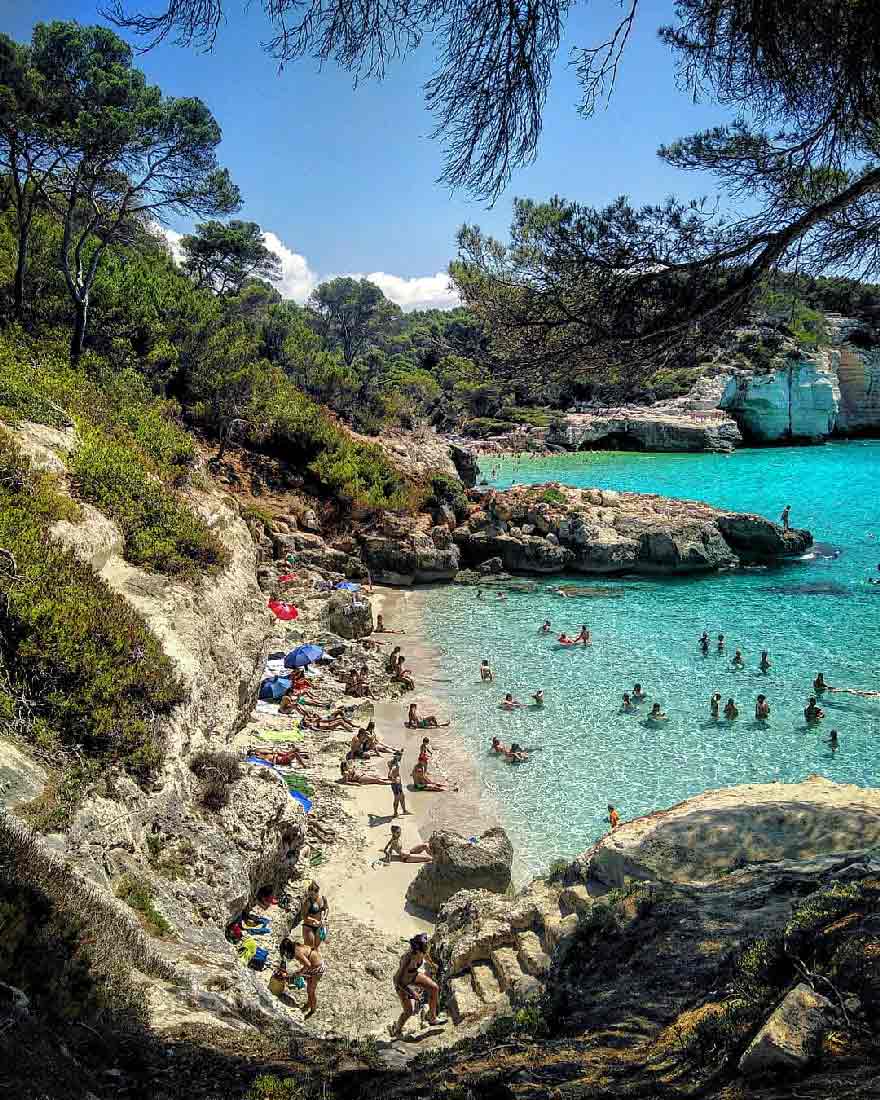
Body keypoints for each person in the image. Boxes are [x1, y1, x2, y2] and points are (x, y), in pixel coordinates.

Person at [389, 933, 447, 1037]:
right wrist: (412, 993)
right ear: (417, 950)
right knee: (408, 1011)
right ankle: (397, 1030)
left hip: (413, 976)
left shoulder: (422, 950)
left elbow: (426, 955)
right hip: (402, 983)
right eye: (425, 946)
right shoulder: (407, 958)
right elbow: (398, 980)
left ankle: (432, 1018)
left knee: (434, 988)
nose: (426, 948)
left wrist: (432, 964)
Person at [299, 881, 328, 949]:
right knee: (309, 947)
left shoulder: (323, 899)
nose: (311, 896)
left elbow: (326, 909)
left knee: (316, 947)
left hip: (319, 926)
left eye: (312, 894)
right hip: (308, 927)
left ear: (317, 892)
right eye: (310, 894)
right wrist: (314, 920)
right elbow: (303, 916)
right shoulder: (307, 902)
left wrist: (324, 918)